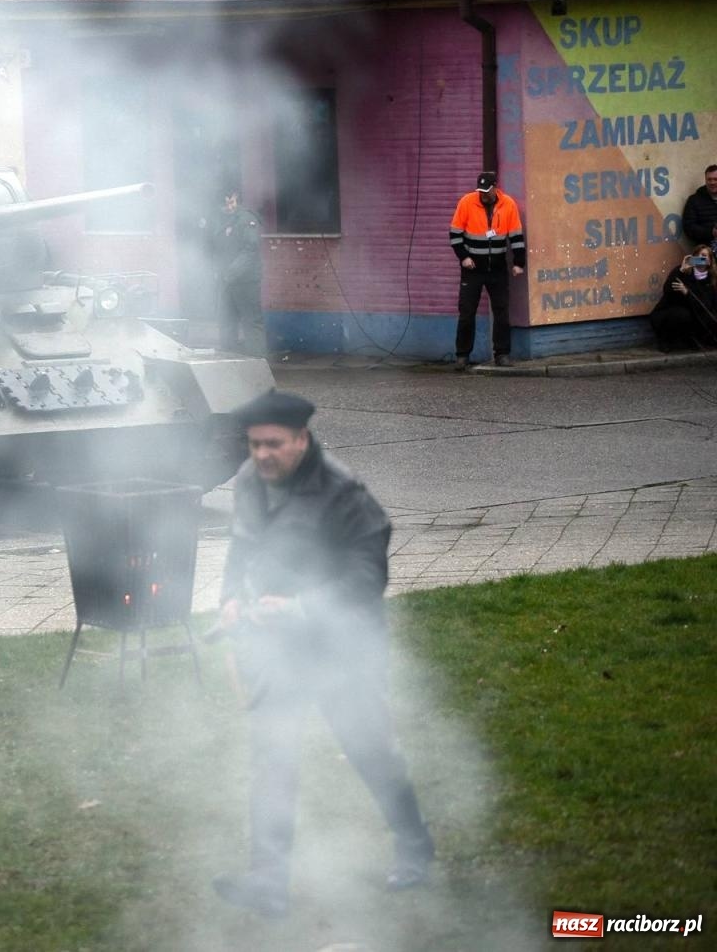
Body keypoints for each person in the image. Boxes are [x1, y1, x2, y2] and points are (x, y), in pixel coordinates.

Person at [211, 389, 433, 919]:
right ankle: (268, 882)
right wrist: (228, 602)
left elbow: (366, 576)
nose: (262, 455)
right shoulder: (249, 480)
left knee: (368, 749)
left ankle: (414, 845)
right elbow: (242, 545)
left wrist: (301, 607)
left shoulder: (342, 491)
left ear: (301, 439)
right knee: (273, 759)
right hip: (276, 647)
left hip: (342, 648)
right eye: (254, 444)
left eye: (273, 445)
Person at [449, 171, 525, 369]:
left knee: (501, 311)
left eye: (486, 190)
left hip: (497, 268)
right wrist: (464, 258)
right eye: (480, 190)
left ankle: (502, 354)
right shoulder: (466, 202)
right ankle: (462, 356)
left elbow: (516, 237)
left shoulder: (508, 204)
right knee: (466, 312)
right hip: (473, 268)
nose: (483, 194)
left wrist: (519, 263)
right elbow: (455, 235)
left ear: (495, 187)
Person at [212, 188, 265, 355]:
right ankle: (228, 358)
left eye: (231, 202)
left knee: (252, 322)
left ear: (237, 200)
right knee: (226, 320)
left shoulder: (247, 220)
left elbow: (251, 249)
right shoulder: (224, 221)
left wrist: (232, 272)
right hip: (227, 279)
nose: (229, 206)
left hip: (246, 280)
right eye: (225, 203)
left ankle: (257, 361)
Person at [649, 246, 717, 352]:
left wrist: (687, 293)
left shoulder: (711, 280)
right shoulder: (682, 271)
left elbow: (705, 305)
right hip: (670, 313)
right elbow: (667, 290)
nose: (699, 257)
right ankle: (666, 342)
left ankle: (695, 341)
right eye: (697, 255)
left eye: (703, 256)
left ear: (709, 261)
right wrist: (681, 271)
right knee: (682, 314)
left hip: (697, 315)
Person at [681, 165, 717, 249]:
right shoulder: (694, 200)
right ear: (705, 180)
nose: (712, 182)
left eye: (715, 179)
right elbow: (689, 227)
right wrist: (711, 232)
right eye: (709, 179)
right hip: (705, 252)